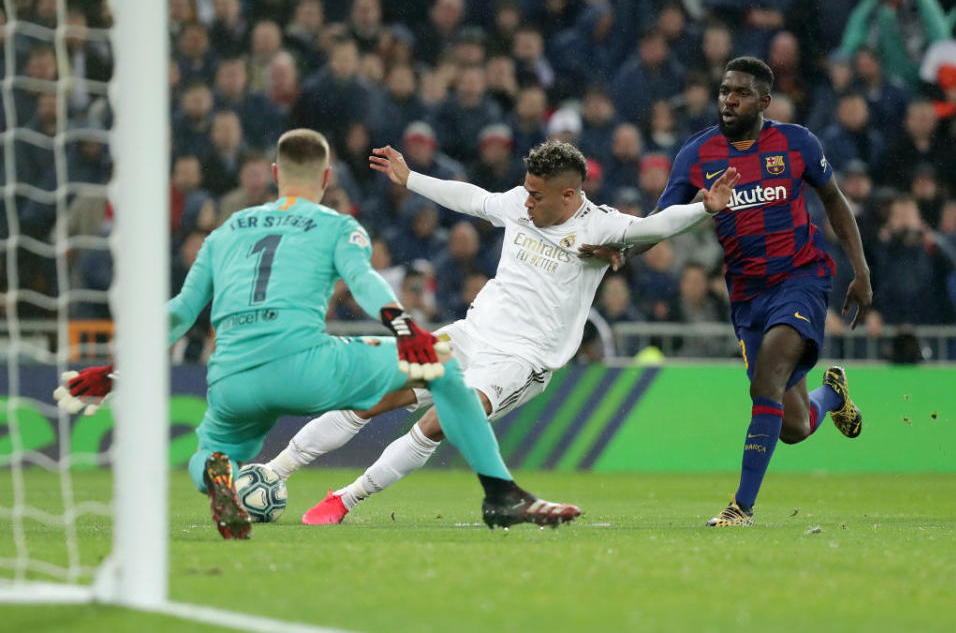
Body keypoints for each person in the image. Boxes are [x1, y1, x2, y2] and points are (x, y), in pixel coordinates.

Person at [53, 129, 584, 539]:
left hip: (233, 375)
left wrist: (115, 369)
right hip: (306, 363)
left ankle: (222, 474)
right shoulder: (337, 225)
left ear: (273, 172)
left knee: (211, 451)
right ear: (326, 176)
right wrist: (406, 332)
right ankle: (501, 493)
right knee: (443, 367)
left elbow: (178, 312)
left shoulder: (223, 234)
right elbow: (366, 282)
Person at [263, 140, 739, 525]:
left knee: (438, 422)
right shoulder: (517, 204)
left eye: (538, 195)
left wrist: (706, 209)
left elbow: (658, 224)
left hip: (522, 362)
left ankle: (345, 500)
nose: (526, 200)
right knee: (373, 395)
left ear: (569, 196)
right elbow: (472, 197)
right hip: (471, 335)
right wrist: (411, 178)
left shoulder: (604, 227)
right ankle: (273, 472)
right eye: (526, 190)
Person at [644, 57, 872, 526]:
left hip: (800, 279)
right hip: (747, 295)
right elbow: (662, 217)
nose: (729, 99)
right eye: (724, 90)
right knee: (793, 427)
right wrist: (622, 247)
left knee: (766, 376)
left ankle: (741, 507)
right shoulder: (698, 154)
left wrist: (861, 269)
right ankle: (831, 394)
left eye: (741, 93)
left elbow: (834, 200)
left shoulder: (796, 143)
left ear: (764, 101)